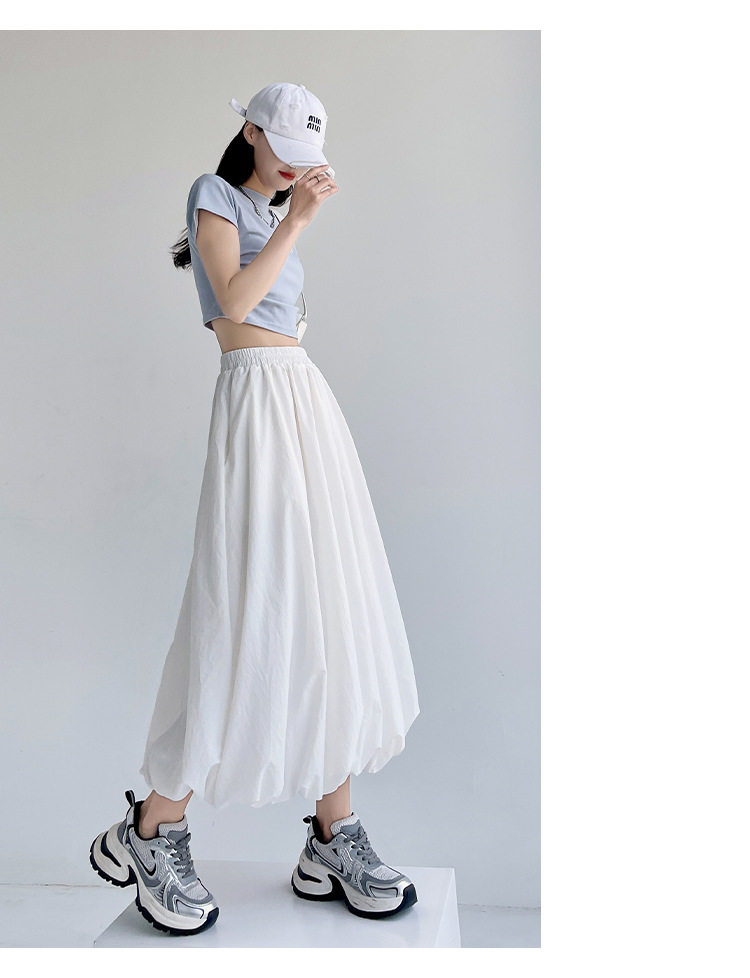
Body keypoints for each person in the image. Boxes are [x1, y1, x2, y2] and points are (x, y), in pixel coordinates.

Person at [89, 82, 420, 936]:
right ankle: (151, 828)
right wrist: (298, 221)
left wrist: (291, 217)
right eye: (283, 152)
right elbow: (233, 304)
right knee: (241, 610)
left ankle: (332, 833)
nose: (293, 170)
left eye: (306, 161)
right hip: (255, 405)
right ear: (250, 132)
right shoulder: (214, 194)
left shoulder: (272, 212)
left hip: (303, 401)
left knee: (328, 608)